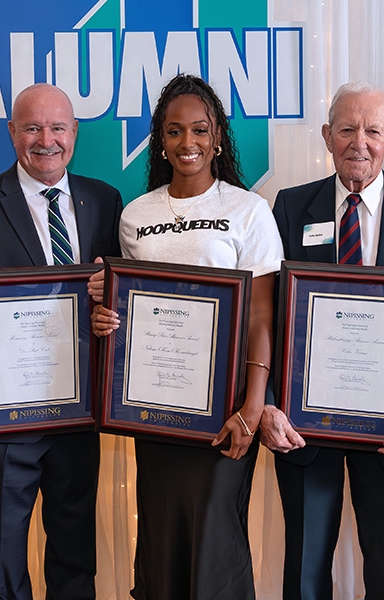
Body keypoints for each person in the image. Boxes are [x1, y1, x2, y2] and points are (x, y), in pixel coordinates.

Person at [261, 81, 384, 599]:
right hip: (306, 428)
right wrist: (268, 404)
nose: (359, 142)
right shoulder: (288, 208)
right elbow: (270, 316)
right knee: (304, 572)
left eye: (373, 130)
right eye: (347, 129)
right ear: (327, 136)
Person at [89, 73, 283, 599]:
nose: (188, 143)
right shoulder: (136, 216)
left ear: (218, 137)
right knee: (161, 537)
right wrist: (105, 318)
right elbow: (130, 311)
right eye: (175, 131)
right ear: (161, 140)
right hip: (156, 412)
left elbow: (260, 317)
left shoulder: (248, 210)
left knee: (215, 543)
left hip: (224, 413)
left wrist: (252, 405)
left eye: (200, 130)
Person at [0, 83, 122, 599]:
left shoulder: (104, 200)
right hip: (2, 419)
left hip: (79, 412)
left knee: (75, 550)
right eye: (32, 127)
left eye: (58, 127)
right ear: (12, 132)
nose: (46, 140)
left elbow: (120, 298)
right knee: (5, 558)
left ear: (74, 133)